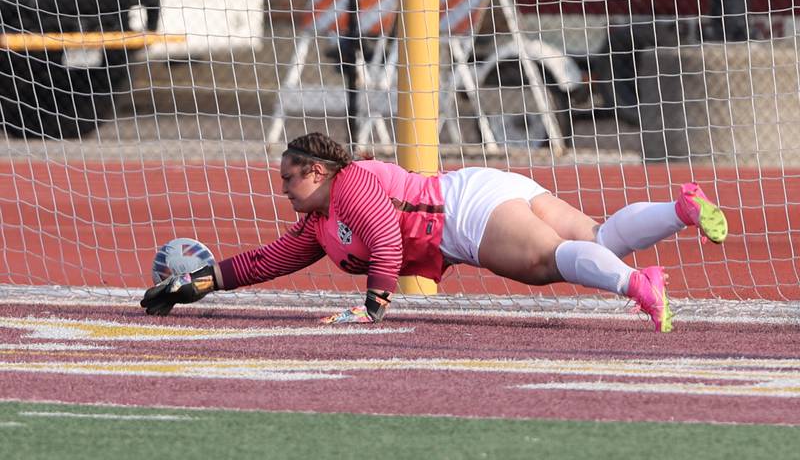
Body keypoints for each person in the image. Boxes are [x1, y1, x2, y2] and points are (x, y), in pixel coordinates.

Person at [140, 132, 728, 332]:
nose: (283, 188)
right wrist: (195, 285)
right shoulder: (317, 223)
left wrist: (374, 302)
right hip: (481, 187)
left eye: (289, 178)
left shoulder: (352, 184)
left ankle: (638, 287)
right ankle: (680, 211)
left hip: (464, 217)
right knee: (596, 237)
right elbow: (263, 262)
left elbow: (387, 240)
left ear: (318, 171)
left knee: (549, 262)